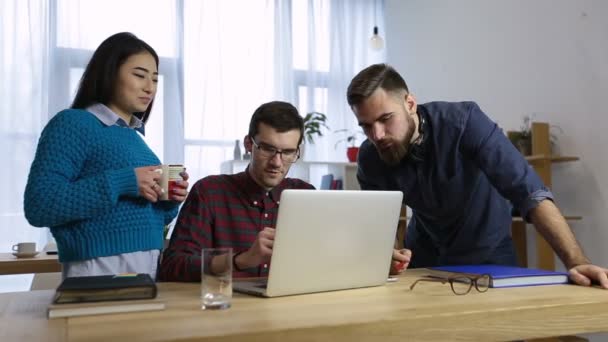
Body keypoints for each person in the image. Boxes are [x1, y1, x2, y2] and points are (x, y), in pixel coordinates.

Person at [347, 63, 608, 288]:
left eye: (386, 119)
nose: (377, 135)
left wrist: (578, 263)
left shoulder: (465, 122)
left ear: (410, 103)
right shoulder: (370, 158)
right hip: (423, 260)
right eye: (366, 126)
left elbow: (529, 192)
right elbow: (380, 225)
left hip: (489, 256)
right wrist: (387, 255)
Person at [23, 32, 189, 279]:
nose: (150, 87)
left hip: (148, 266)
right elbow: (40, 205)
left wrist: (169, 200)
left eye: (155, 79)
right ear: (109, 73)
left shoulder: (136, 140)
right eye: (139, 75)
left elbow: (144, 214)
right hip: (98, 269)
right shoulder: (73, 123)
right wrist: (126, 181)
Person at [159, 101, 315, 282]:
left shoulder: (305, 194)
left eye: (288, 152)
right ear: (249, 144)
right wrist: (241, 260)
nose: (277, 163)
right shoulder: (209, 193)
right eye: (267, 149)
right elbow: (172, 266)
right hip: (226, 307)